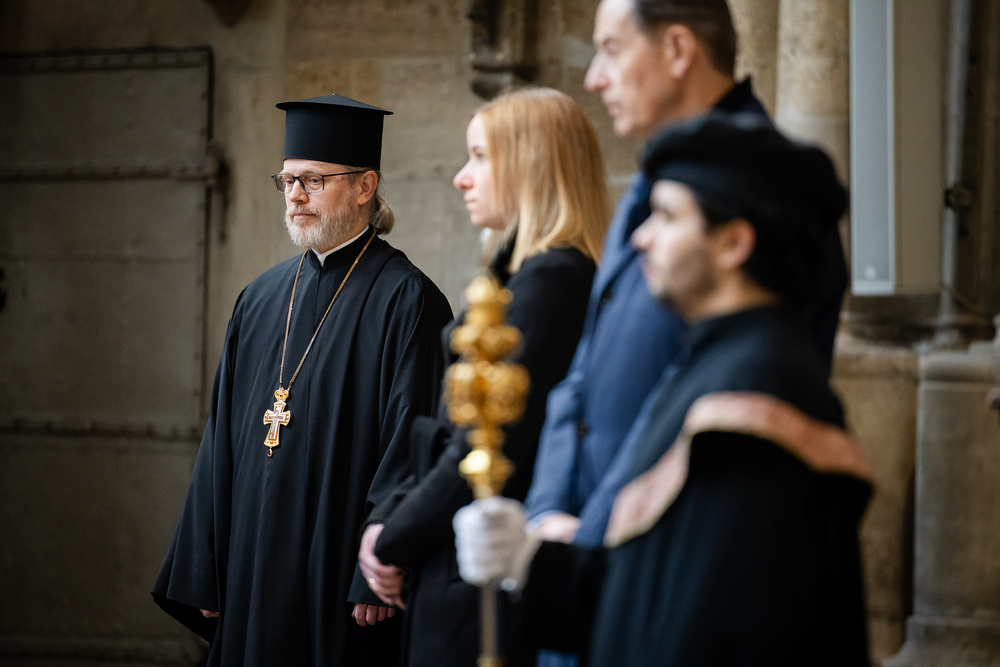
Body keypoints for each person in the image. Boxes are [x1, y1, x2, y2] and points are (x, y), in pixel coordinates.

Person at [452, 113, 872, 666]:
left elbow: (716, 633)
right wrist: (528, 561)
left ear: (734, 242)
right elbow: (649, 588)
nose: (641, 237)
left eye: (668, 216)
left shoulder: (758, 395)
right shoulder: (712, 366)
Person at [151, 93, 453, 666]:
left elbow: (413, 446)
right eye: (287, 181)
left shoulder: (408, 300)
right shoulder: (260, 297)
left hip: (337, 573)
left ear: (365, 187)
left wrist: (381, 561)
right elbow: (220, 440)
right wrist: (203, 567)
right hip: (250, 564)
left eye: (313, 180)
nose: (295, 195)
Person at [356, 87, 610, 667]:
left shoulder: (551, 285)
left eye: (480, 156)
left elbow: (485, 450)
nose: (461, 178)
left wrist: (390, 538)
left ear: (530, 165)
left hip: (477, 577)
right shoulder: (526, 278)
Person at [524, 0, 783, 557]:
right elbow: (585, 365)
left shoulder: (763, 186)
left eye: (612, 50)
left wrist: (592, 534)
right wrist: (546, 509)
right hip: (583, 545)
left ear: (678, 50)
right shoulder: (654, 176)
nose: (594, 78)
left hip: (672, 546)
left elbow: (708, 390)